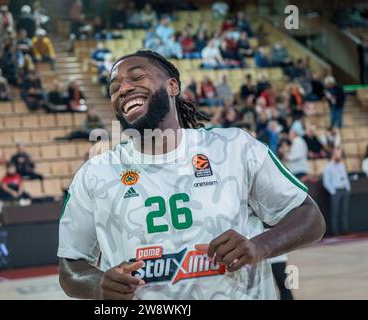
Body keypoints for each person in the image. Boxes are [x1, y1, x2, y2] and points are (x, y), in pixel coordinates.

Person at [58, 50, 325, 300]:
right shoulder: (95, 173)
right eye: (114, 89)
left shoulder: (234, 147)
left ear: (172, 86)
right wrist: (98, 285)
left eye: (137, 77)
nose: (124, 89)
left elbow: (310, 217)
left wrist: (260, 247)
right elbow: (71, 266)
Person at [323, 148, 351, 236]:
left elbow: (345, 177)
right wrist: (333, 191)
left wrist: (348, 187)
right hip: (336, 191)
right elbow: (326, 182)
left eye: (340, 154)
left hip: (344, 190)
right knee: (335, 212)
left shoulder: (342, 165)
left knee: (344, 211)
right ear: (333, 155)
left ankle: (345, 229)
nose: (339, 156)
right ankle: (335, 231)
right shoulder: (328, 167)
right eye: (337, 154)